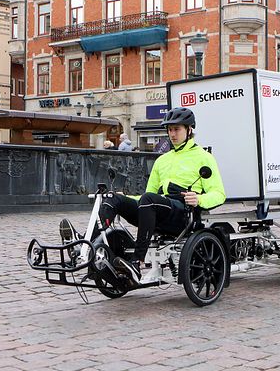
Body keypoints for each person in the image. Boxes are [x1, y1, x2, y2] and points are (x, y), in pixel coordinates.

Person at [61, 107, 226, 284]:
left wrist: (199, 199)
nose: (172, 134)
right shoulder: (162, 160)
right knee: (110, 197)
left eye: (177, 129)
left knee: (148, 201)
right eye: (170, 130)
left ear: (189, 130)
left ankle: (136, 262)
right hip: (157, 208)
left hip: (183, 214)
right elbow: (148, 195)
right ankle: (84, 244)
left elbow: (219, 194)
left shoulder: (203, 157)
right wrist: (125, 198)